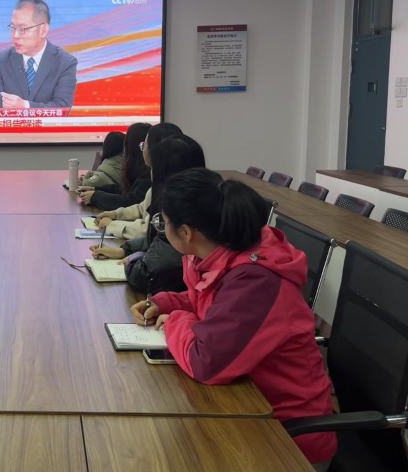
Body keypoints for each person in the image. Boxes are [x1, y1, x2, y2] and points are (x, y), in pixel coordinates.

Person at [131, 168, 337, 468]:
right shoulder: (220, 254)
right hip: (245, 407)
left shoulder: (255, 279)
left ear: (186, 233)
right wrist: (165, 303)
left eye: (164, 223)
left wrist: (175, 321)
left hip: (286, 437)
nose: (163, 229)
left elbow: (205, 363)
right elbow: (210, 303)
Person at [90, 134, 205, 295]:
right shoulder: (199, 198)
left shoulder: (178, 209)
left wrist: (133, 258)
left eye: (153, 168)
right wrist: (125, 250)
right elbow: (156, 236)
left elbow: (145, 275)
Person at [0, 0, 78, 109]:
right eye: (12, 27)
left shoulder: (65, 63)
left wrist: (25, 106)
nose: (15, 35)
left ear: (43, 30)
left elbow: (62, 108)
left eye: (22, 29)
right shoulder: (1, 61)